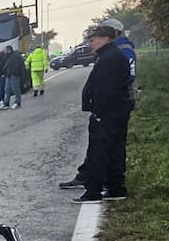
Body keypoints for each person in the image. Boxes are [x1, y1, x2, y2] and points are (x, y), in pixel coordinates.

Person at [58, 18, 137, 192]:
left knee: (105, 146)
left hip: (113, 107)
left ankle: (101, 183)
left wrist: (99, 112)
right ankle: (96, 179)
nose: (91, 43)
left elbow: (115, 82)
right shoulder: (109, 53)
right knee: (105, 146)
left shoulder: (120, 51)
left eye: (96, 37)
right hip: (113, 106)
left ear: (112, 34)